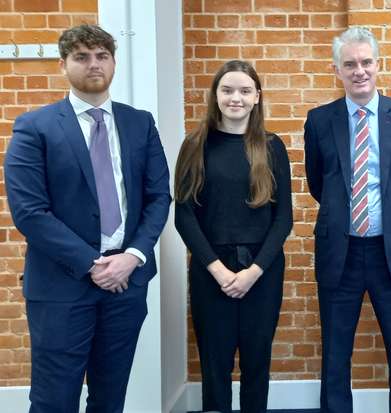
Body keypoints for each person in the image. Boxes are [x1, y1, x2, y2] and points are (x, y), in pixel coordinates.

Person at [3, 24, 171, 412]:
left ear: (113, 62)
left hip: (126, 284)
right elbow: (29, 212)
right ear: (63, 63)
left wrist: (133, 256)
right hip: (62, 287)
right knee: (54, 400)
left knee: (109, 398)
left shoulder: (139, 122)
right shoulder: (35, 127)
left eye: (102, 56)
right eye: (82, 56)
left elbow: (159, 197)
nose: (94, 64)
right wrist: (91, 264)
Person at [303, 27, 391, 413]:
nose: (359, 71)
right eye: (349, 64)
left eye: (366, 62)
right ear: (337, 70)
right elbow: (317, 183)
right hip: (339, 252)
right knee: (335, 358)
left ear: (379, 65)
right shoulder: (319, 120)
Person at [174, 60, 292, 413]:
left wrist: (253, 271)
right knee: (215, 367)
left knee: (257, 365)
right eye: (227, 90)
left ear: (257, 97)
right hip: (212, 273)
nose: (235, 98)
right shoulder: (195, 144)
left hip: (262, 273)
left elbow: (283, 218)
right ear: (216, 96)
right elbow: (184, 216)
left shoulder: (272, 147)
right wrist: (219, 271)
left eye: (244, 91)